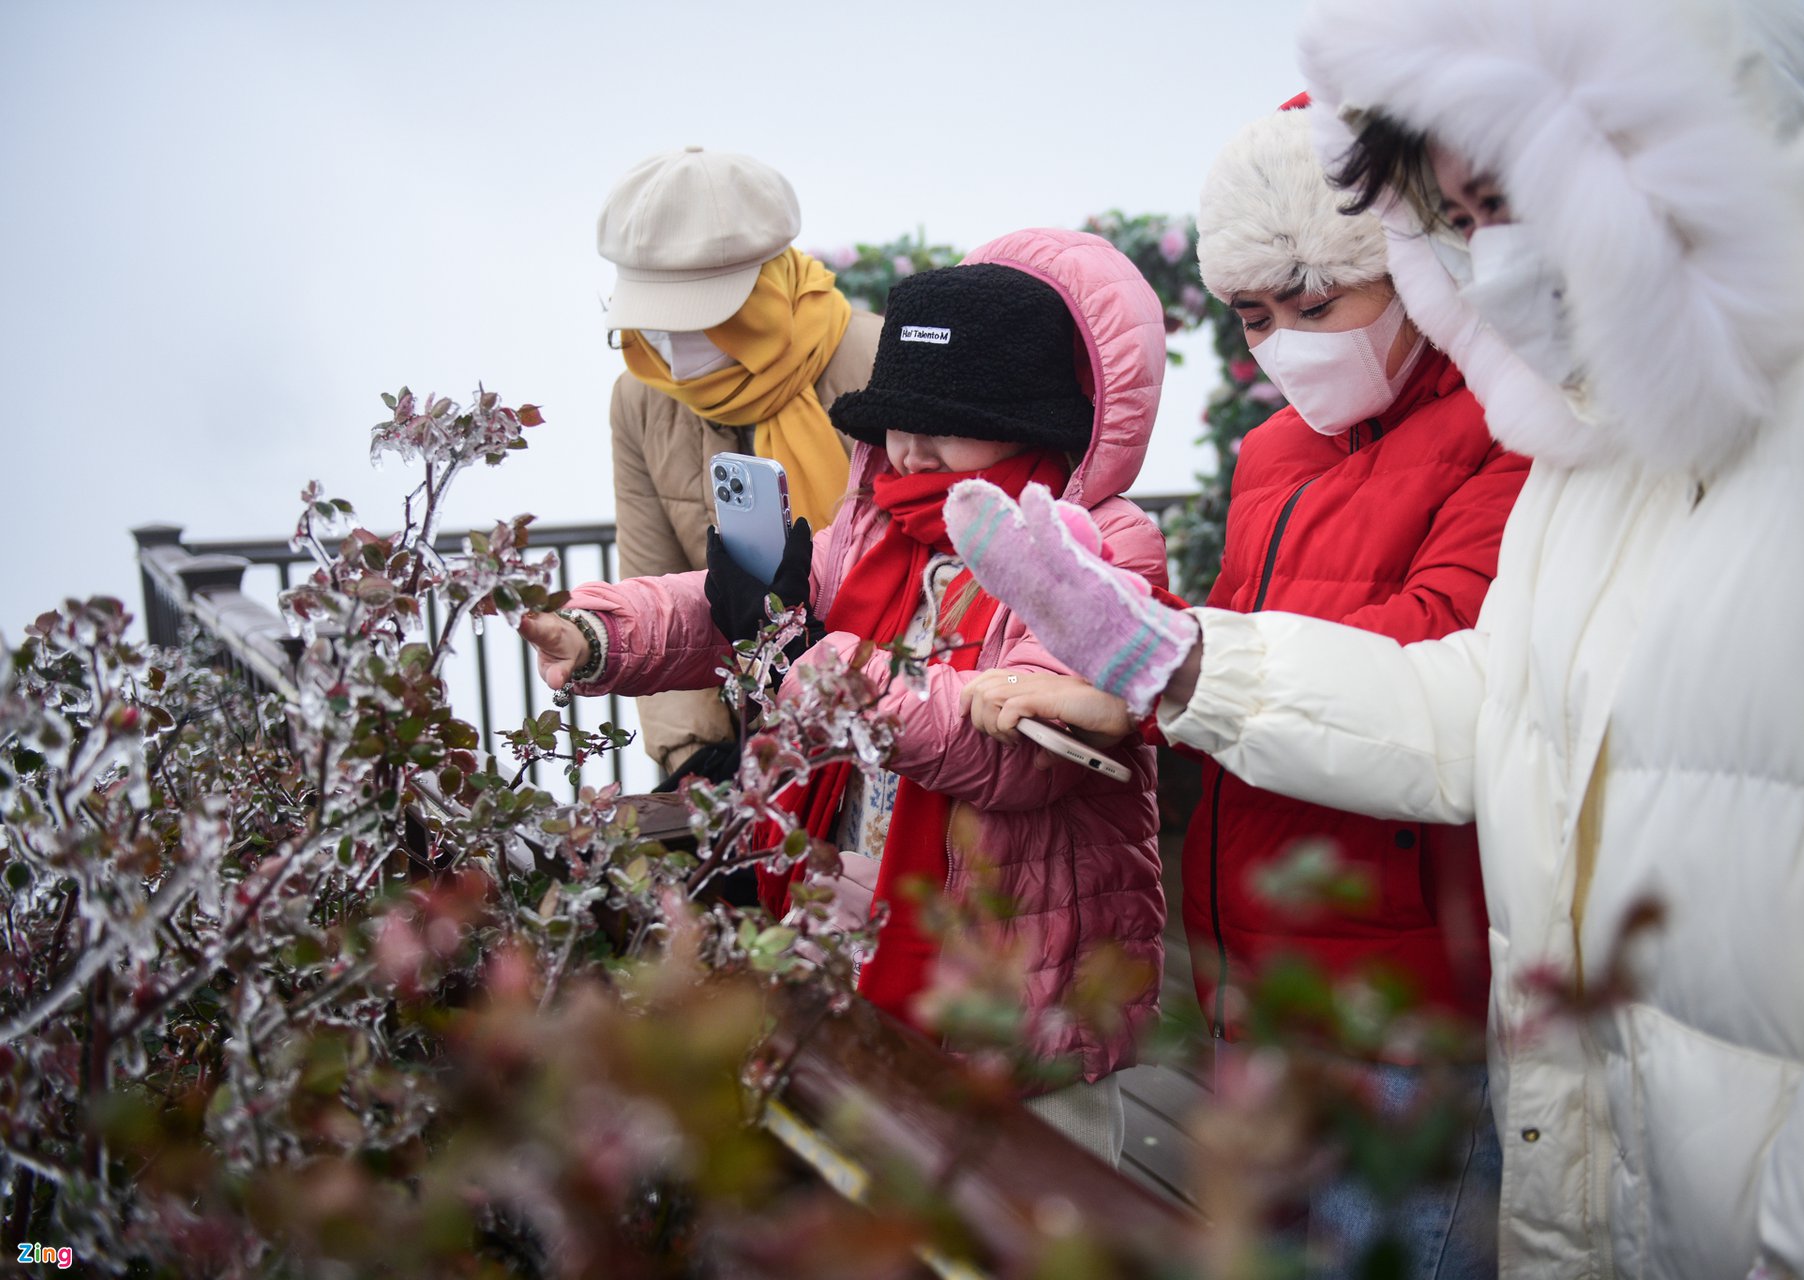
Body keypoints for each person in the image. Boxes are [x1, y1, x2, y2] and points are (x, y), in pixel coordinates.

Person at [945, 0, 1804, 1274]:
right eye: (1453, 224)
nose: (1489, 261)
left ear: (1648, 122)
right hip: (1607, 1153)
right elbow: (1481, 707)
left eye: (1506, 194)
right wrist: (1172, 658)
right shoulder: (1595, 438)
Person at [971, 102, 1525, 1276]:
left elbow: (1435, 648)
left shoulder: (1503, 430)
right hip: (1248, 958)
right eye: (1256, 316)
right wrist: (1124, 691)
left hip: (1402, 985)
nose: (1286, 342)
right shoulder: (1274, 452)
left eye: (1317, 303)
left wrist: (1164, 655)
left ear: (1413, 268)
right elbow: (1237, 653)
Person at [522, 230, 1171, 1164]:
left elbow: (1012, 755)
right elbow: (730, 617)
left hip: (1016, 978)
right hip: (859, 921)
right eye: (892, 418)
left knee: (1037, 1218)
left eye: (940, 417)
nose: (906, 445)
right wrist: (599, 635)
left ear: (1035, 420)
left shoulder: (1100, 549)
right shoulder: (877, 528)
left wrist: (800, 651)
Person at [596, 146, 881, 786]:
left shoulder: (874, 359)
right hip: (740, 737)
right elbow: (651, 571)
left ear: (760, 289)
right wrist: (692, 754)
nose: (661, 345)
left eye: (687, 315)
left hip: (884, 722)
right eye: (647, 317)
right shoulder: (640, 396)